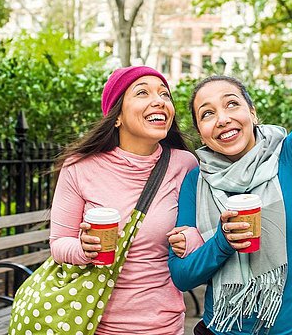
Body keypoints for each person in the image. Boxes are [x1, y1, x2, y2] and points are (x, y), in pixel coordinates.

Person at [167, 0, 292, 335]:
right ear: (200, 131)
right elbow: (182, 276)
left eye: (231, 104)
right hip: (224, 328)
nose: (222, 118)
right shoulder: (196, 182)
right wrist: (223, 242)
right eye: (207, 114)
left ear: (252, 113)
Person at [49, 65, 198, 334]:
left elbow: (202, 232)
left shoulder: (185, 164)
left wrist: (192, 239)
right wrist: (84, 251)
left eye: (165, 94)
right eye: (143, 93)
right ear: (116, 116)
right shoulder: (79, 167)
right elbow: (59, 243)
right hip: (94, 322)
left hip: (163, 323)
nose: (159, 101)